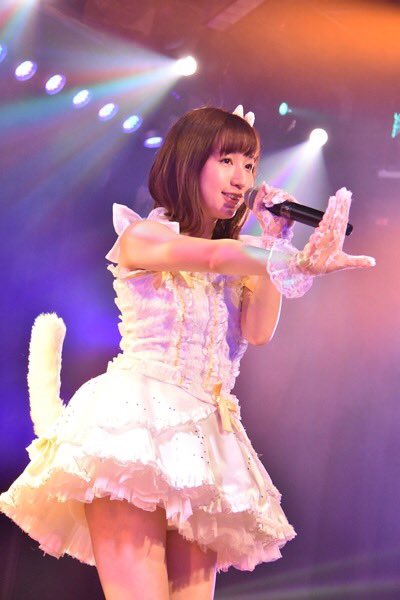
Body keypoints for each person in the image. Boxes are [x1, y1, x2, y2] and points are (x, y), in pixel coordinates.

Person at [0, 105, 375, 600]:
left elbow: (258, 331)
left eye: (250, 165)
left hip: (204, 441)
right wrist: (294, 259)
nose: (242, 179)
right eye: (228, 161)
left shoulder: (247, 254)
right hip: (134, 428)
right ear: (190, 161)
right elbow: (213, 255)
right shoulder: (144, 235)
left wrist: (274, 239)